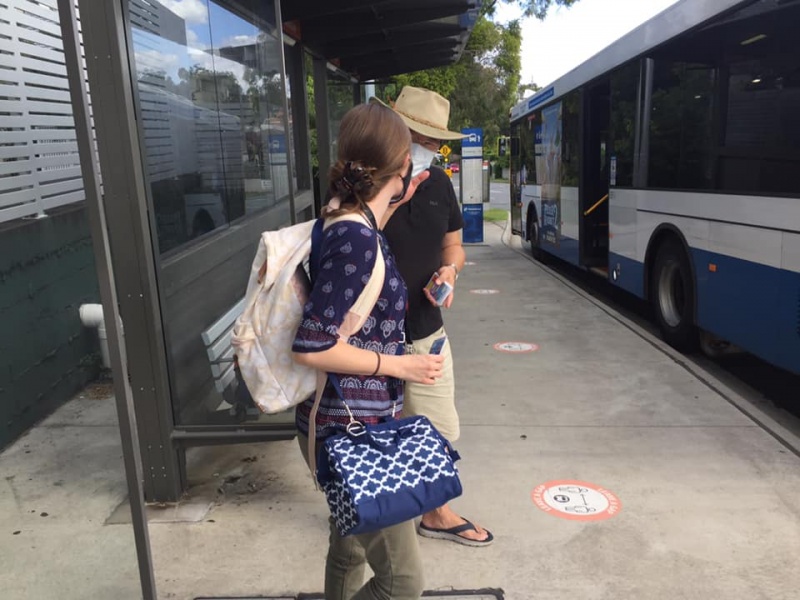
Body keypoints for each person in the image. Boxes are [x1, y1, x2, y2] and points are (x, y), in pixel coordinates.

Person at [292, 102, 444, 600]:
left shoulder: (344, 219)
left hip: (345, 421)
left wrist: (395, 201)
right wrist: (399, 364)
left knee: (350, 551)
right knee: (402, 583)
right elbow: (312, 344)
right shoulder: (356, 238)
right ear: (403, 166)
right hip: (352, 433)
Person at [378, 86, 493, 547]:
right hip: (371, 337)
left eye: (433, 142)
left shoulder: (440, 183)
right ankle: (380, 511)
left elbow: (454, 245)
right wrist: (394, 197)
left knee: (437, 427)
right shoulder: (365, 182)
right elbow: (347, 236)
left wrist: (451, 270)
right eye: (418, 138)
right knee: (376, 430)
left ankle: (435, 513)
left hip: (425, 329)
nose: (426, 149)